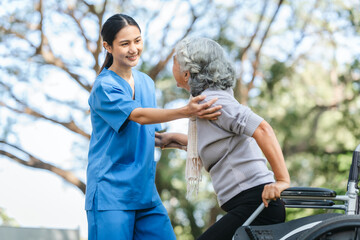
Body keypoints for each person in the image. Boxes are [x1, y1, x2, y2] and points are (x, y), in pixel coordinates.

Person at [85, 14, 221, 240]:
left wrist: (192, 142)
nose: (133, 49)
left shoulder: (146, 82)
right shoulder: (104, 86)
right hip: (111, 193)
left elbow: (151, 135)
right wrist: (185, 111)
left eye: (137, 41)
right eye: (124, 44)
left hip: (145, 192)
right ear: (107, 46)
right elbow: (138, 116)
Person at [156, 37, 291, 240]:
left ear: (187, 72)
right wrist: (171, 139)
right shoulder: (204, 103)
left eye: (175, 60)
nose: (171, 64)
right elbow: (217, 143)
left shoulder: (214, 101)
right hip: (249, 204)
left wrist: (282, 181)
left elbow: (263, 129)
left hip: (257, 204)